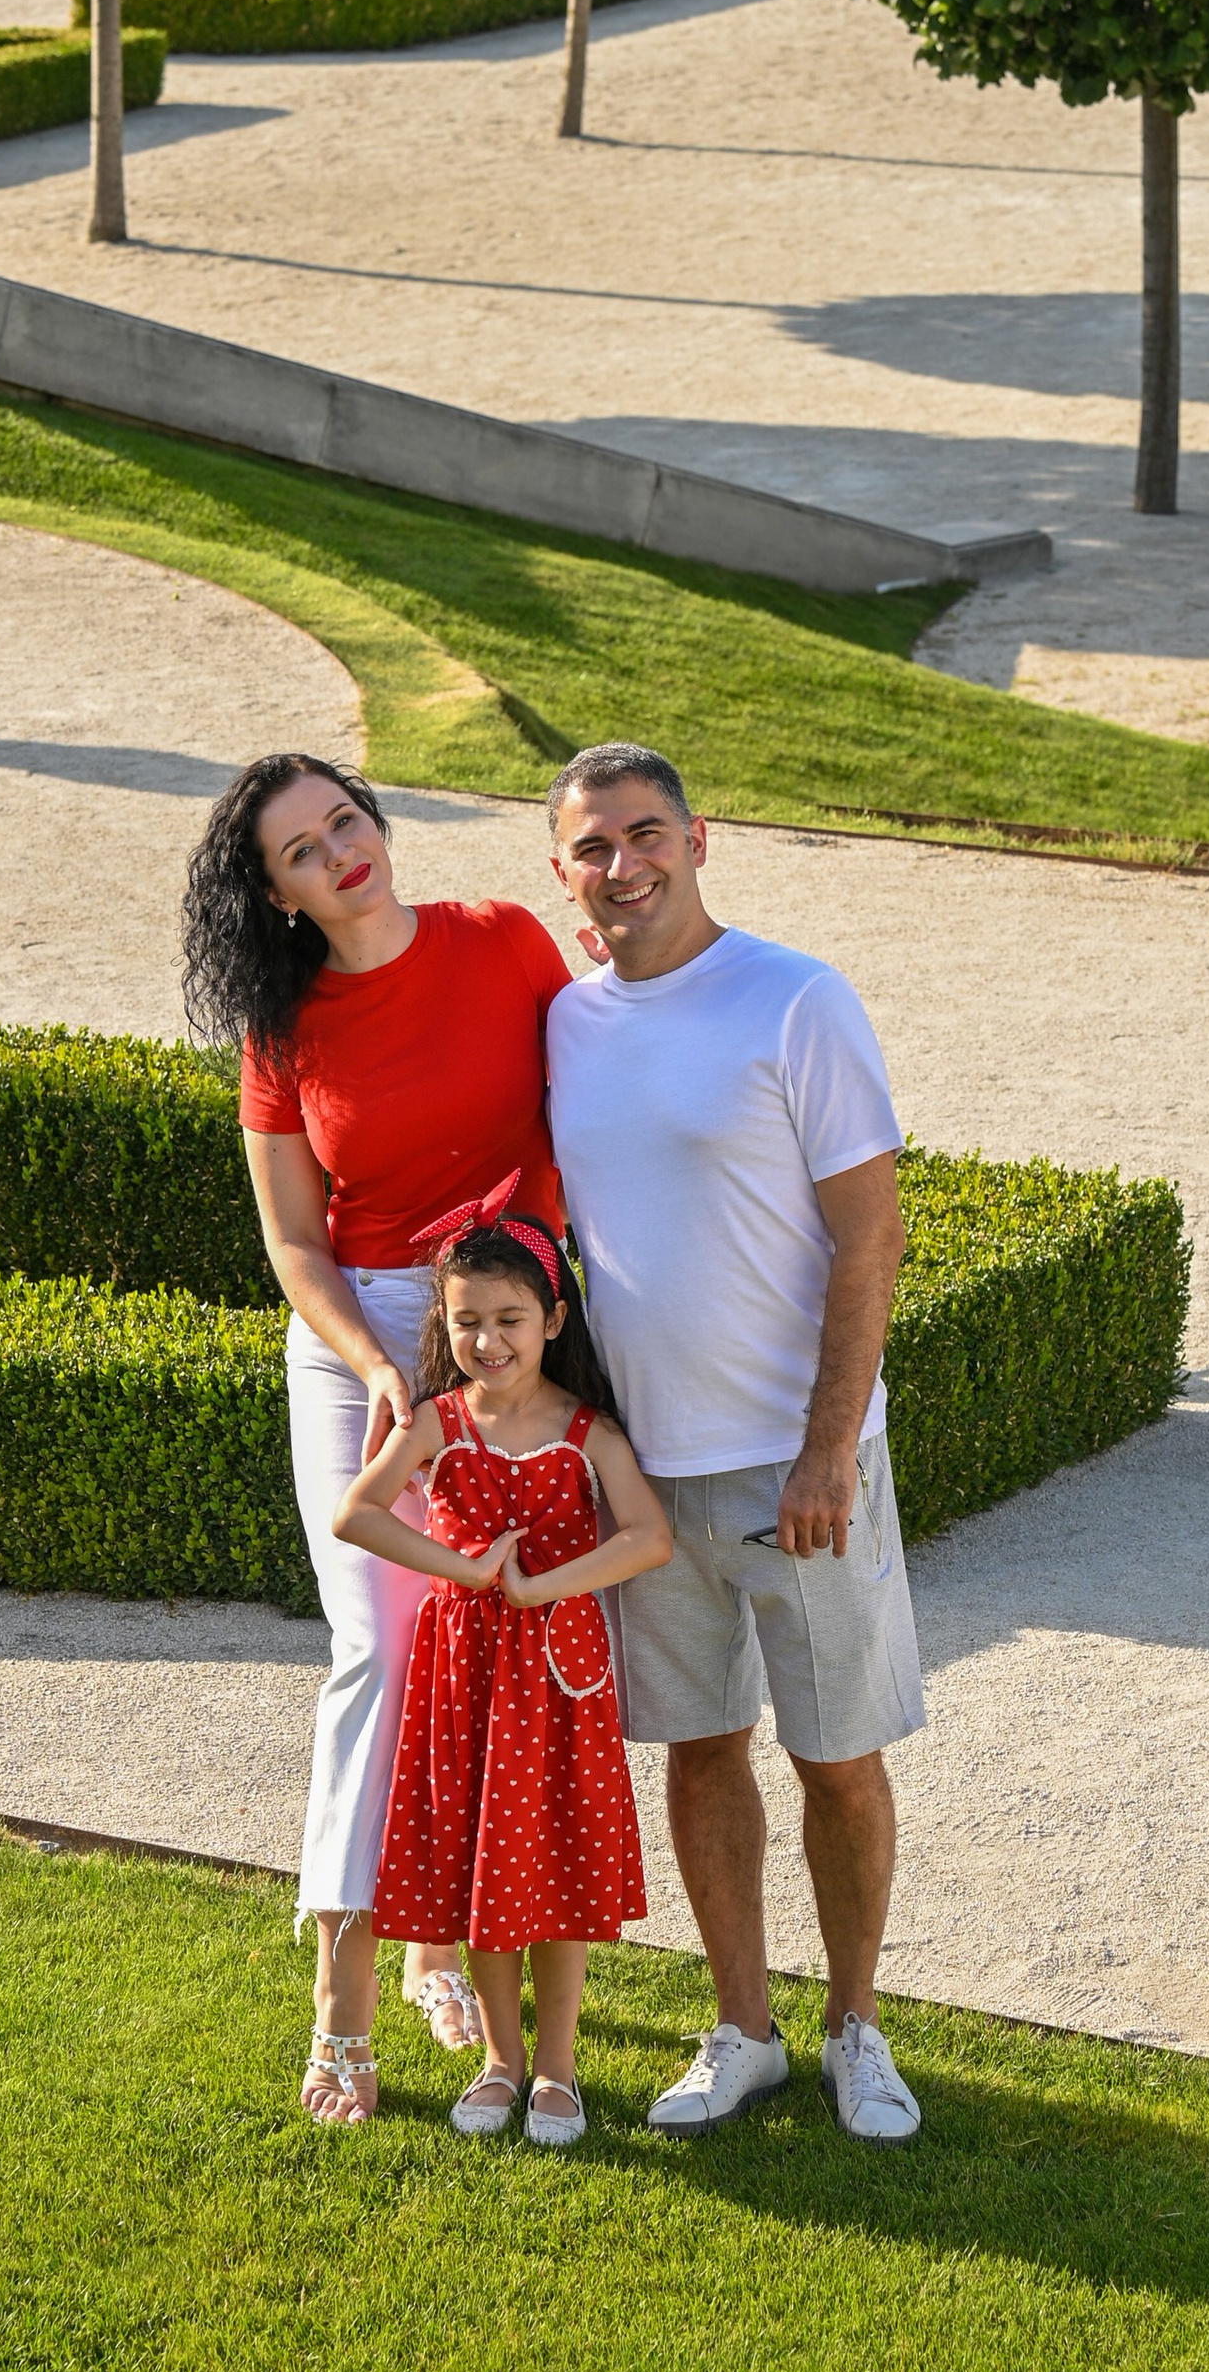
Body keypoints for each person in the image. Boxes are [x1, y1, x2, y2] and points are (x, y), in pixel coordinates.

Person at [543, 741, 926, 2145]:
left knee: (839, 1755)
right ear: (563, 873)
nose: (624, 865)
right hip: (647, 1473)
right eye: (594, 847)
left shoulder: (795, 1000)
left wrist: (831, 1449)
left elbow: (868, 1234)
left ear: (701, 839)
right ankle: (744, 2030)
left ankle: (858, 2029)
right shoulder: (566, 1024)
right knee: (699, 1750)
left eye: (647, 834)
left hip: (794, 1464)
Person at [184, 751, 573, 2129]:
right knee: (379, 1649)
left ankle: (437, 1943)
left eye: (346, 821)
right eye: (303, 850)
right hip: (360, 1340)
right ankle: (341, 2008)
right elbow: (294, 1239)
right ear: (277, 894)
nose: (341, 853)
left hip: (508, 1323)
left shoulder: (505, 943)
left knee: (483, 1647)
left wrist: (522, 1287)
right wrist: (371, 1365)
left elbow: (584, 1106)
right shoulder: (281, 1031)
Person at [338, 1187, 670, 2145]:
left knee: (554, 1863)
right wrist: (468, 1571)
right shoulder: (440, 1421)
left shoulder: (587, 1430)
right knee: (482, 1867)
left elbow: (649, 1538)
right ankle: (499, 2061)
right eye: (468, 1321)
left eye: (511, 1320)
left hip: (561, 1682)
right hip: (466, 1679)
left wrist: (545, 1584)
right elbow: (356, 1511)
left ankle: (558, 2071)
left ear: (553, 1319)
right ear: (444, 1321)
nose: (489, 1340)